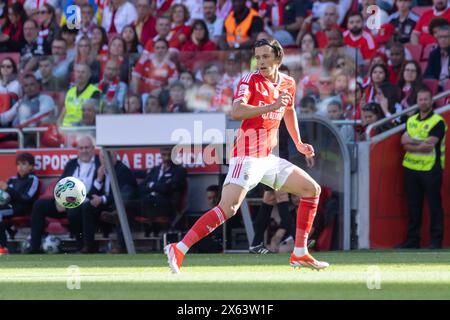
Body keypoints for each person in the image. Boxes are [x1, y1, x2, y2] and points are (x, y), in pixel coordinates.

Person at [165, 38, 329, 273]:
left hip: (268, 157)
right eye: (258, 57)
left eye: (265, 57)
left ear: (277, 58)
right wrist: (271, 106)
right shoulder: (249, 80)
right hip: (247, 154)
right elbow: (237, 110)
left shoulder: (288, 83)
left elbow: (289, 111)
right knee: (228, 208)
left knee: (312, 189)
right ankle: (179, 248)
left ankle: (300, 252)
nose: (261, 61)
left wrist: (299, 143)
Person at [29, 135, 100, 253]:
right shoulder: (71, 163)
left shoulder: (99, 163)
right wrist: (59, 199)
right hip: (66, 200)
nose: (84, 151)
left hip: (86, 200)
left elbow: (101, 185)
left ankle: (82, 246)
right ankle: (35, 247)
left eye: (87, 148)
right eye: (81, 148)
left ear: (93, 148)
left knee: (74, 210)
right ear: (77, 150)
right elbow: (61, 183)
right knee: (39, 205)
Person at [398, 86, 447, 249]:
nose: (423, 102)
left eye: (426, 99)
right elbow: (404, 144)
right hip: (411, 168)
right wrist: (420, 142)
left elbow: (429, 146)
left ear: (431, 101)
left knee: (434, 206)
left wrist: (414, 141)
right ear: (417, 101)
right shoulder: (410, 120)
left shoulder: (438, 121)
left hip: (431, 169)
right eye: (420, 99)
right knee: (413, 206)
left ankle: (436, 240)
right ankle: (412, 240)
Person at [81, 150, 137, 253]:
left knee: (121, 208)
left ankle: (122, 246)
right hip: (106, 204)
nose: (105, 160)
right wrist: (98, 180)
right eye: (103, 157)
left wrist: (102, 199)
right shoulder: (100, 170)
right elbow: (92, 195)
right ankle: (89, 246)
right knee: (87, 207)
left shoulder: (122, 170)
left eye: (108, 157)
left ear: (115, 157)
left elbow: (122, 195)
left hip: (119, 204)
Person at [139, 147, 187, 235]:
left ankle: (151, 227)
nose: (167, 158)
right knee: (129, 204)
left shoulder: (179, 170)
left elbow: (168, 188)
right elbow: (142, 187)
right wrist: (159, 186)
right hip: (149, 200)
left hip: (166, 202)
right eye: (164, 155)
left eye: (169, 155)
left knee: (149, 204)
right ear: (160, 154)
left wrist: (152, 185)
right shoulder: (154, 170)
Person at [0, 153, 39, 255]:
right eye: (18, 164)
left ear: (31, 166)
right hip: (9, 206)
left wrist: (8, 189)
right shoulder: (12, 179)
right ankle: (9, 232)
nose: (20, 167)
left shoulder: (33, 179)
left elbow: (27, 198)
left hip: (22, 208)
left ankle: (3, 247)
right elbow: (5, 196)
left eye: (23, 164)